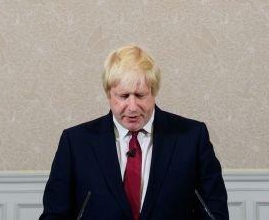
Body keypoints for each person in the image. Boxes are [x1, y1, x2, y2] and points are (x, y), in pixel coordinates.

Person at [40, 45, 229, 219]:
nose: (132, 107)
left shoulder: (192, 138)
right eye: (123, 96)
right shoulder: (76, 143)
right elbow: (54, 215)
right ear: (108, 94)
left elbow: (215, 212)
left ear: (154, 92)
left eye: (140, 95)